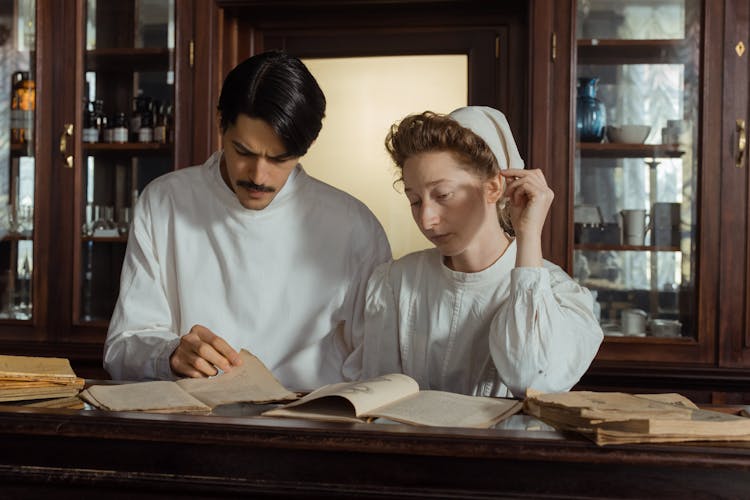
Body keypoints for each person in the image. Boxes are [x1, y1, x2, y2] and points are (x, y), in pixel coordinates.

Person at [104, 51, 391, 389]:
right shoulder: (165, 202)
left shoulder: (353, 226)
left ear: (306, 147)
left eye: (280, 159)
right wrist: (169, 355)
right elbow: (123, 347)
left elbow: (379, 362)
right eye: (244, 152)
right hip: (194, 422)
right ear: (220, 125)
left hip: (312, 425)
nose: (259, 175)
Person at [354, 106, 602, 397]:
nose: (426, 219)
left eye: (443, 195)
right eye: (415, 200)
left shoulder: (558, 293)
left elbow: (530, 378)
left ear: (494, 187)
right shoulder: (395, 282)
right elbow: (377, 399)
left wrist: (529, 234)